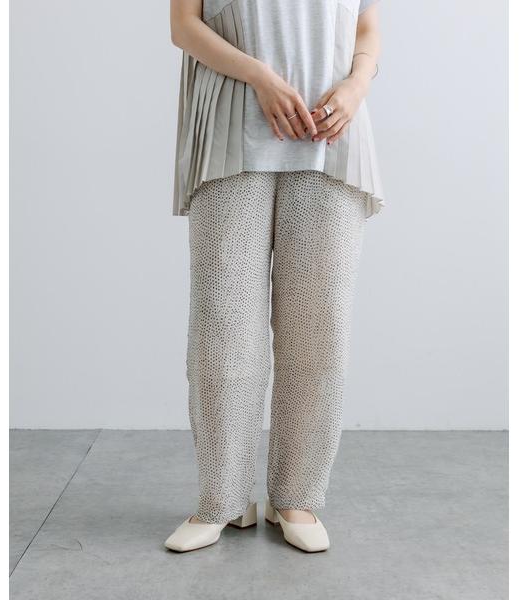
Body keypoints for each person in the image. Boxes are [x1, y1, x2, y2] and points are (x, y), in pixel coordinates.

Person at [165, 0, 384, 553]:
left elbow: (366, 26)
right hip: (230, 131)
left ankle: (297, 497)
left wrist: (356, 86)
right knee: (223, 328)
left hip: (330, 142)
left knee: (319, 329)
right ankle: (223, 498)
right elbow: (184, 25)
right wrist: (258, 76)